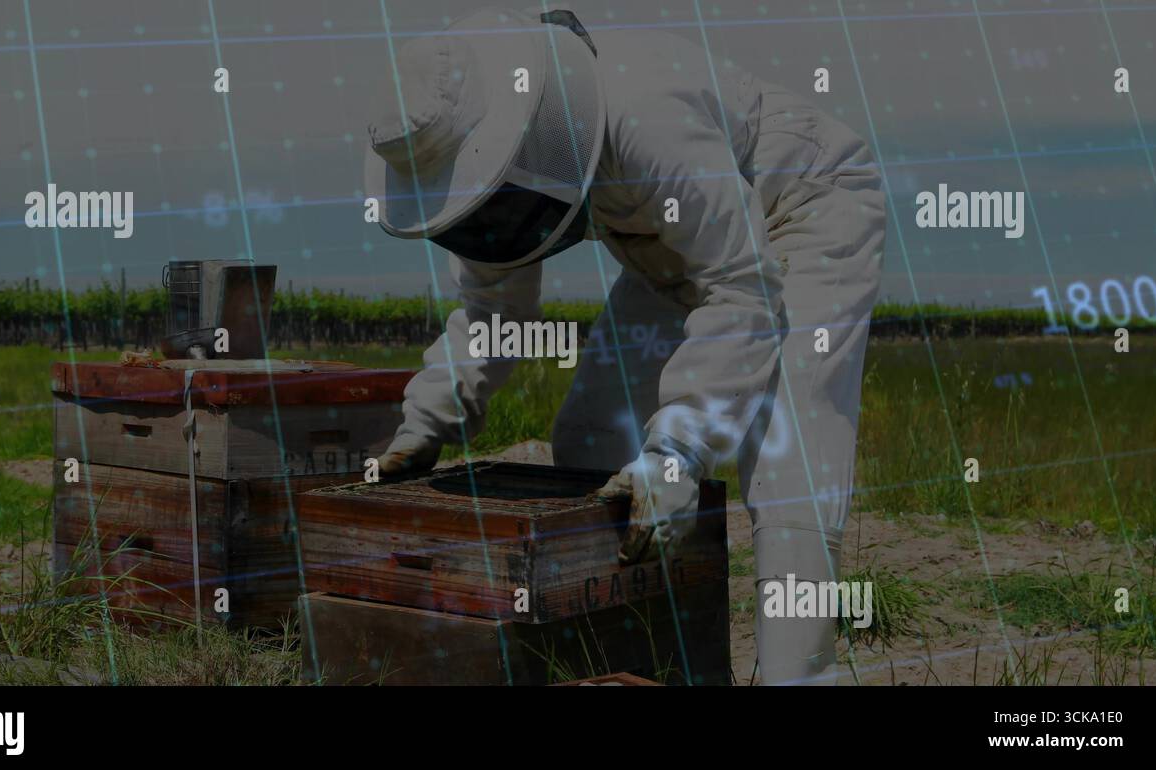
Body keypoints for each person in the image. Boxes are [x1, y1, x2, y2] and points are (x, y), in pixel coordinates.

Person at [364, 7, 885, 685]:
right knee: (591, 435)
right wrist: (422, 424)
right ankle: (648, 657)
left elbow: (743, 291)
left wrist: (676, 455)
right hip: (679, 250)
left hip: (802, 208)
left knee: (786, 462)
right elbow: (493, 308)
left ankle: (799, 674)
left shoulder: (649, 115)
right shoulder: (503, 165)